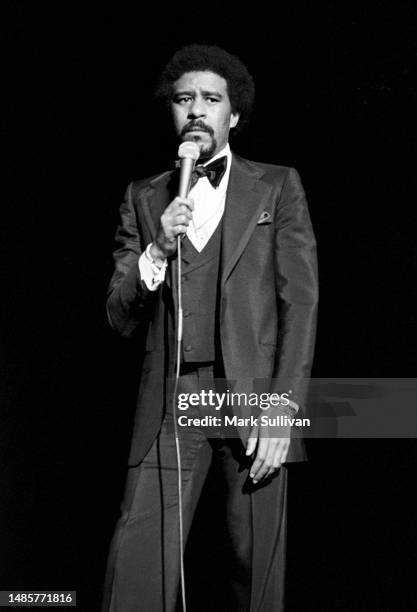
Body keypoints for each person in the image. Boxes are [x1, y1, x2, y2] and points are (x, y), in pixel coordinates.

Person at [102, 44, 318, 612]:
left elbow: (301, 305)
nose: (196, 109)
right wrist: (155, 251)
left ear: (234, 114)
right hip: (172, 405)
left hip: (254, 400)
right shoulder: (145, 197)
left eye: (210, 98)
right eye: (183, 99)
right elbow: (118, 314)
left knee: (255, 575)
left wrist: (282, 411)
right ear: (172, 113)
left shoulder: (277, 185)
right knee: (137, 573)